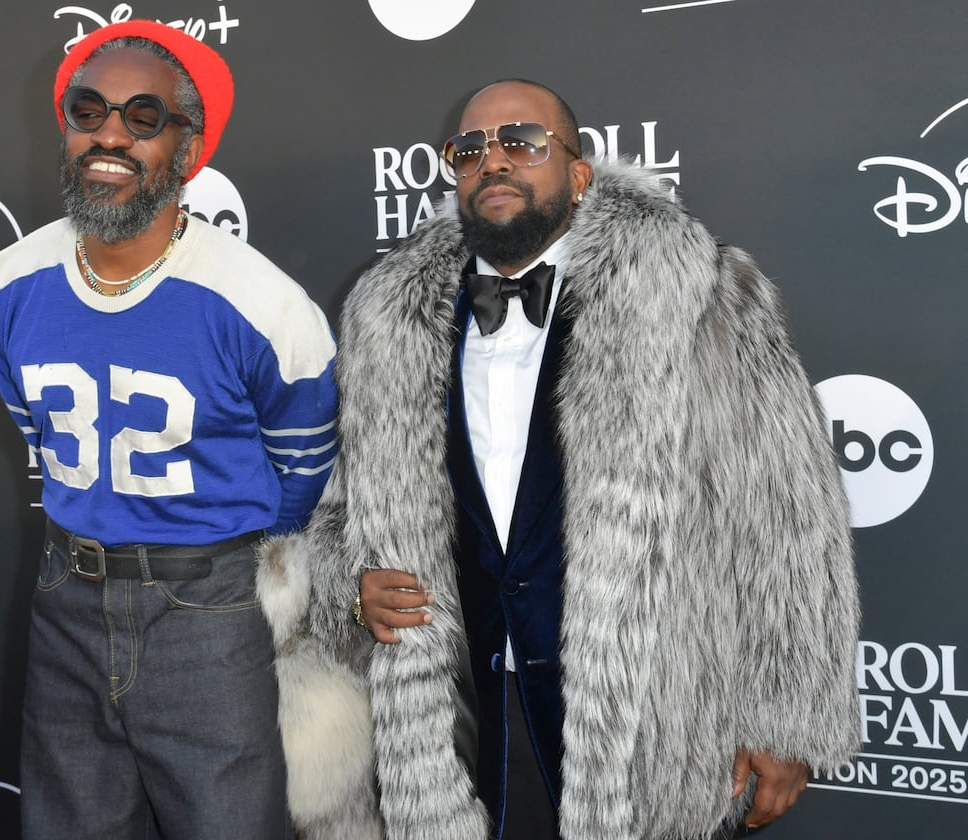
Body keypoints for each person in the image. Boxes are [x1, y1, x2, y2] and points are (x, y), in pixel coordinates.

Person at [256, 79, 859, 840]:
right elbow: (341, 509)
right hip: (461, 711)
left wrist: (788, 714)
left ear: (579, 172)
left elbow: (790, 512)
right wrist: (350, 586)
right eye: (470, 149)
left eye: (523, 142)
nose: (493, 162)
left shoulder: (699, 297)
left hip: (642, 712)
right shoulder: (387, 320)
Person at [0, 21, 337, 839]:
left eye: (144, 117)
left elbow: (303, 462)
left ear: (188, 147)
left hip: (204, 610)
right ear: (63, 126)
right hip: (64, 594)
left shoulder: (262, 302)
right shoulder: (9, 283)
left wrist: (210, 550)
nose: (110, 133)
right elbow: (34, 430)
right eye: (89, 109)